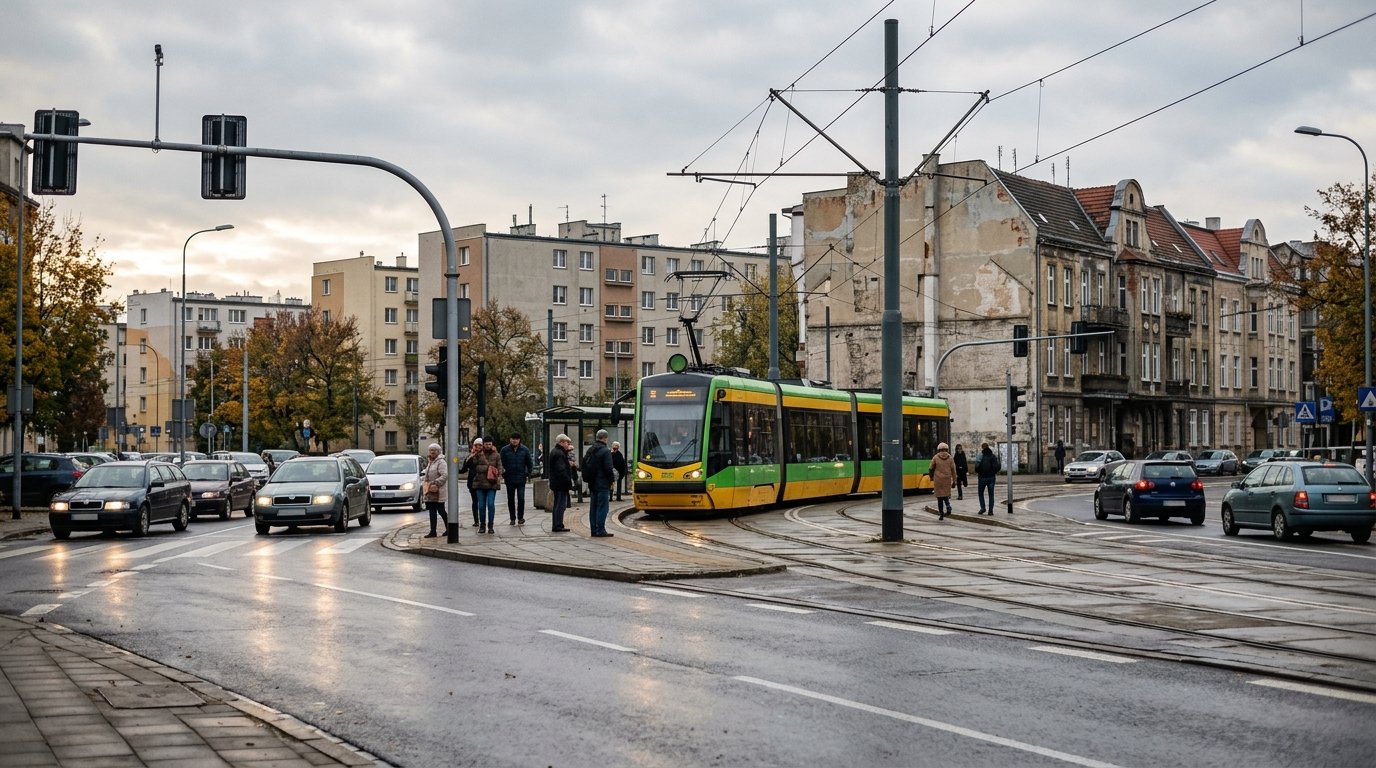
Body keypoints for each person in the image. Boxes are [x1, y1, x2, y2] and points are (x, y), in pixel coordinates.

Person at [582, 429, 616, 537]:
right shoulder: (605, 451)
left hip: (592, 483)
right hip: (602, 483)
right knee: (603, 507)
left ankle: (593, 529)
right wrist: (611, 480)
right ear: (605, 438)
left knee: (594, 507)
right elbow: (608, 468)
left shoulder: (591, 450)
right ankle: (600, 529)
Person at [500, 432, 534, 525]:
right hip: (509, 478)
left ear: (519, 440)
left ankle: (520, 517)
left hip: (521, 478)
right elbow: (501, 463)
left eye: (516, 439)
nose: (514, 440)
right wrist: (504, 474)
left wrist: (527, 473)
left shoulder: (524, 450)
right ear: (510, 439)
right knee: (510, 499)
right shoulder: (504, 450)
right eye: (513, 438)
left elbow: (529, 463)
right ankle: (512, 518)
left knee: (521, 498)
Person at [470, 438, 502, 533]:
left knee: (491, 504)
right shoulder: (478, 454)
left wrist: (499, 475)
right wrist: (475, 454)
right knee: (481, 506)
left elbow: (500, 466)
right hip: (480, 483)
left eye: (489, 444)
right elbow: (473, 465)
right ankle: (482, 525)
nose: (488, 446)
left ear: (492, 444)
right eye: (486, 444)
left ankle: (491, 525)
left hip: (492, 483)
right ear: (483, 444)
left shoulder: (496, 455)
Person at [547, 434, 574, 533]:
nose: (568, 444)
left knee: (557, 505)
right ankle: (558, 525)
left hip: (556, 483)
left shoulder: (556, 452)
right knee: (560, 505)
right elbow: (561, 470)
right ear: (562, 442)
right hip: (560, 484)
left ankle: (557, 524)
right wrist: (568, 484)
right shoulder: (559, 454)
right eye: (567, 442)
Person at [422, 443, 448, 538]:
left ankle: (449, 528)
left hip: (438, 491)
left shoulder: (441, 462)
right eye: (430, 450)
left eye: (434, 450)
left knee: (441, 511)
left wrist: (435, 482)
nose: (432, 452)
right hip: (430, 490)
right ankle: (433, 531)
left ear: (439, 451)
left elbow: (444, 475)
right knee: (432, 511)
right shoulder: (430, 461)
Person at [460, 438, 483, 527]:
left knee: (482, 502)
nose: (477, 447)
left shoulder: (485, 455)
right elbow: (464, 469)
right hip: (472, 482)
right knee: (475, 501)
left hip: (482, 482)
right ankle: (476, 520)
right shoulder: (470, 456)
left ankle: (482, 520)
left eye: (479, 445)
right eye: (476, 445)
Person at [929, 442, 956, 520]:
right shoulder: (950, 458)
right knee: (945, 494)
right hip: (947, 479)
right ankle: (948, 505)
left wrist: (931, 477)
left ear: (939, 449)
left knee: (940, 498)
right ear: (947, 449)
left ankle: (941, 514)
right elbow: (954, 470)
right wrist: (954, 481)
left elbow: (931, 468)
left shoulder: (935, 457)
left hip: (938, 479)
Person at [975, 442, 1000, 515]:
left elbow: (976, 467)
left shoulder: (980, 455)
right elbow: (996, 467)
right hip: (991, 477)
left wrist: (979, 471)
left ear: (982, 448)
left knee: (980, 493)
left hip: (982, 477)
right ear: (988, 447)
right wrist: (993, 472)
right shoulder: (993, 456)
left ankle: (983, 508)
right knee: (991, 494)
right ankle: (990, 511)